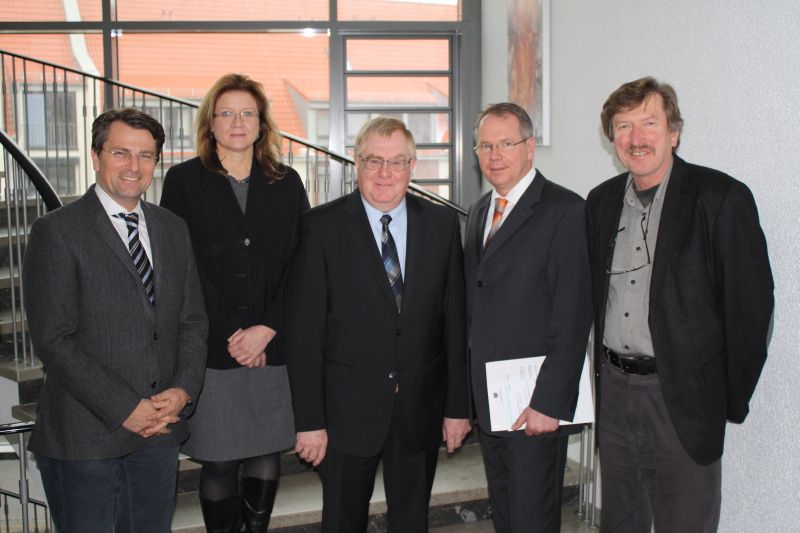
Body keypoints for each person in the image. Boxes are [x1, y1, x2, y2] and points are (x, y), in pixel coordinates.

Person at [585, 77, 774, 533]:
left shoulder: (720, 198)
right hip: (613, 392)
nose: (636, 137)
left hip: (683, 399)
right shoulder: (600, 202)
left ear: (674, 132)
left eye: (650, 122)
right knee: (621, 522)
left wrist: (723, 399)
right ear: (613, 139)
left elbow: (752, 310)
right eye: (623, 126)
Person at [22, 108, 208, 532]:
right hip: (86, 435)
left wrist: (182, 390)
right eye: (121, 152)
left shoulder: (172, 228)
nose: (134, 166)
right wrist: (125, 408)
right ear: (95, 155)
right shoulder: (57, 231)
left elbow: (192, 322)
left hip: (159, 431)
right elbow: (55, 340)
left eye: (146, 156)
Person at [285, 116, 471, 532]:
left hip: (419, 407)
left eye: (396, 162)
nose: (385, 173)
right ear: (356, 162)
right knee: (343, 521)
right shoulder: (321, 228)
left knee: (411, 522)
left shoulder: (441, 226)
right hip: (345, 413)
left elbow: (455, 324)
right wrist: (309, 421)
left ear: (412, 166)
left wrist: (458, 408)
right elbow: (304, 335)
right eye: (374, 161)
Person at [160, 73, 309, 532]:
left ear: (262, 124)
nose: (237, 122)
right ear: (211, 122)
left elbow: (303, 265)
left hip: (273, 347)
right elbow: (181, 267)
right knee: (220, 461)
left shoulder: (286, 182)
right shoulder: (183, 180)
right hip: (213, 350)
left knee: (266, 452)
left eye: (248, 113)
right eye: (226, 113)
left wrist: (268, 327)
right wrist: (236, 335)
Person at [463, 103, 592, 533]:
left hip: (534, 405)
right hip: (492, 401)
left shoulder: (564, 210)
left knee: (533, 521)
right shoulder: (481, 210)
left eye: (506, 144)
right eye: (485, 145)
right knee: (506, 515)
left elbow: (573, 315)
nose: (494, 155)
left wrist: (549, 402)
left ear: (530, 147)